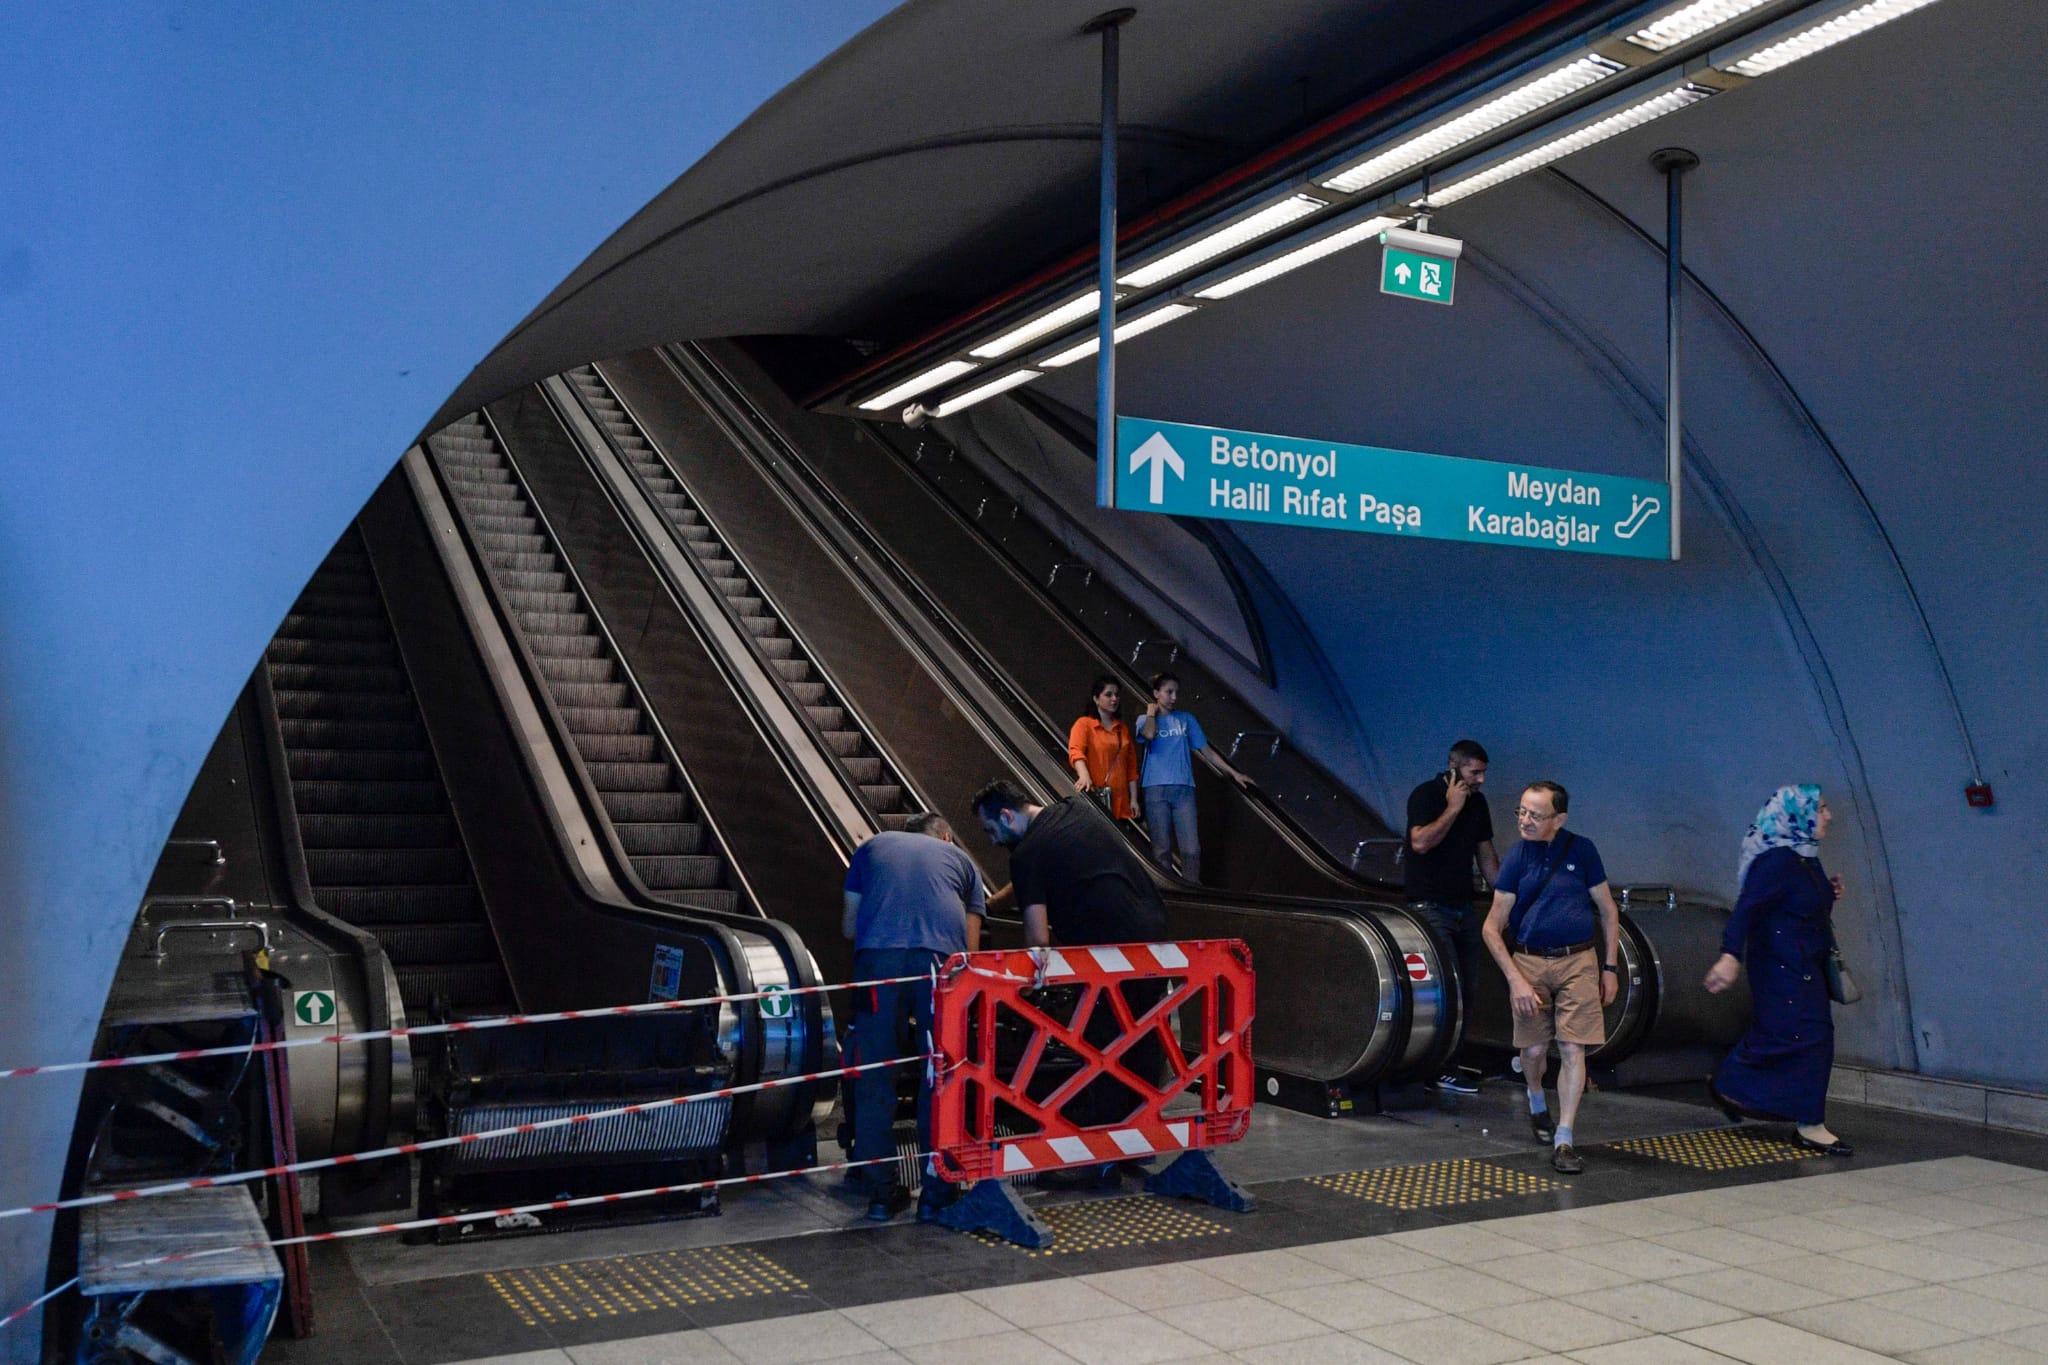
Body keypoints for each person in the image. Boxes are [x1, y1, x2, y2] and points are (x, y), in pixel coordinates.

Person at [972, 779, 1169, 1177]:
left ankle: (1103, 1149)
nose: (993, 842)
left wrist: (1025, 985)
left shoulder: (1025, 854)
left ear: (1007, 816)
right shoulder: (1075, 810)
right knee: (1145, 1035)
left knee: (1102, 1046)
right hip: (1155, 938)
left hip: (1107, 955)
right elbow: (1039, 871)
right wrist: (993, 904)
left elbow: (1037, 938)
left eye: (992, 831)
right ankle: (1140, 1140)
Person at [841, 812, 986, 1221]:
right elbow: (969, 952)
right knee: (940, 1073)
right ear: (945, 835)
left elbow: (849, 926)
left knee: (874, 1072)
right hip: (939, 965)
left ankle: (881, 1194)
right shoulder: (961, 862)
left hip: (877, 963)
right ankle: (937, 1191)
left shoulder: (870, 847)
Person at [1480, 781, 1620, 1175]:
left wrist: (1609, 967)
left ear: (1559, 819)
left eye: (1535, 815)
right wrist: (1515, 980)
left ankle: (1564, 1137)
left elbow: (1608, 911)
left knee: (1573, 1048)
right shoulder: (1517, 858)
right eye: (1521, 812)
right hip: (1529, 963)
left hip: (1578, 960)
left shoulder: (1582, 850)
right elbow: (1492, 928)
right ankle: (1536, 1097)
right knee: (1536, 1051)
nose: (1525, 821)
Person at [1703, 784, 1852, 1156]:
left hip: (1806, 965)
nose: (1828, 816)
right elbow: (1746, 910)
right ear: (1796, 815)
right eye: (1821, 808)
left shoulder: (1806, 860)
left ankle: (1732, 1085)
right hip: (1780, 968)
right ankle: (1809, 1124)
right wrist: (1729, 955)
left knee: (1791, 1037)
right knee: (1805, 1038)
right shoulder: (1776, 862)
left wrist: (1828, 895)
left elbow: (1800, 908)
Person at [1404, 739, 1501, 1095]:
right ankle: (1435, 1065)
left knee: (1468, 989)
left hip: (1464, 906)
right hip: (1430, 906)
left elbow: (1486, 856)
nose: (1480, 780)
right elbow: (1421, 842)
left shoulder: (1478, 804)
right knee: (1445, 988)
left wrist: (1504, 897)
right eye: (1474, 772)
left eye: (1483, 773)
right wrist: (1452, 808)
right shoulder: (1426, 795)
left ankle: (1451, 1063)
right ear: (1453, 766)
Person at [1134, 671, 1254, 884]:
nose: (1174, 697)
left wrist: (1234, 773)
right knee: (1162, 848)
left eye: (1176, 693)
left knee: (1191, 848)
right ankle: (1167, 890)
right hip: (1155, 787)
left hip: (1183, 788)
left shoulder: (1186, 719)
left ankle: (1192, 887)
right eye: (1169, 692)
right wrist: (1152, 714)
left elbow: (1206, 751)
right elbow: (1149, 736)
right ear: (1156, 693)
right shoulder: (1144, 719)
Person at [1068, 674, 1139, 820]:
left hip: (1121, 802)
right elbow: (1076, 751)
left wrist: (1134, 799)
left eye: (1117, 695)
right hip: (1099, 796)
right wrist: (1084, 775)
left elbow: (1131, 768)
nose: (1114, 699)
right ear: (1096, 698)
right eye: (1108, 695)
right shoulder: (1085, 724)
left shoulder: (1122, 729)